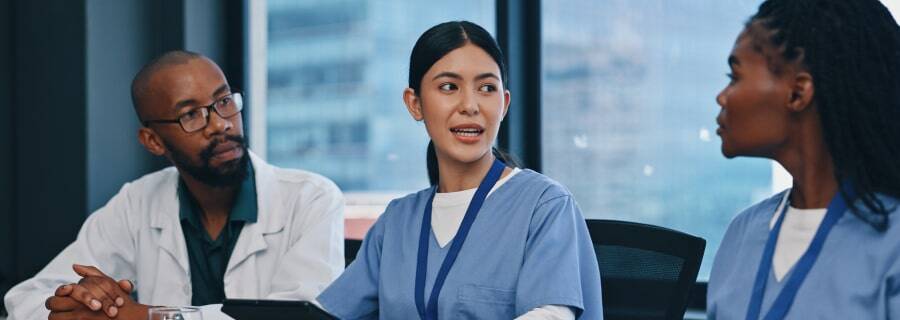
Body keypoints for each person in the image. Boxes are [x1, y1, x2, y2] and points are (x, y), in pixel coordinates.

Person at [3, 51, 346, 320]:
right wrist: (84, 306)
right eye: (191, 115)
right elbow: (26, 302)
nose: (221, 125)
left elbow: (303, 317)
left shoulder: (311, 198)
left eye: (224, 101)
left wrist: (149, 317)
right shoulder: (137, 202)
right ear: (153, 141)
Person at [316, 21, 603, 319]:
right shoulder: (396, 224)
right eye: (449, 87)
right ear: (415, 104)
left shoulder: (544, 206)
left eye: (487, 88)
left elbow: (552, 315)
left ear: (504, 104)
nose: (470, 105)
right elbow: (324, 313)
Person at [707, 0, 900, 318]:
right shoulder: (741, 235)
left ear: (798, 94)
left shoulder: (891, 242)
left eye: (735, 76)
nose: (722, 97)